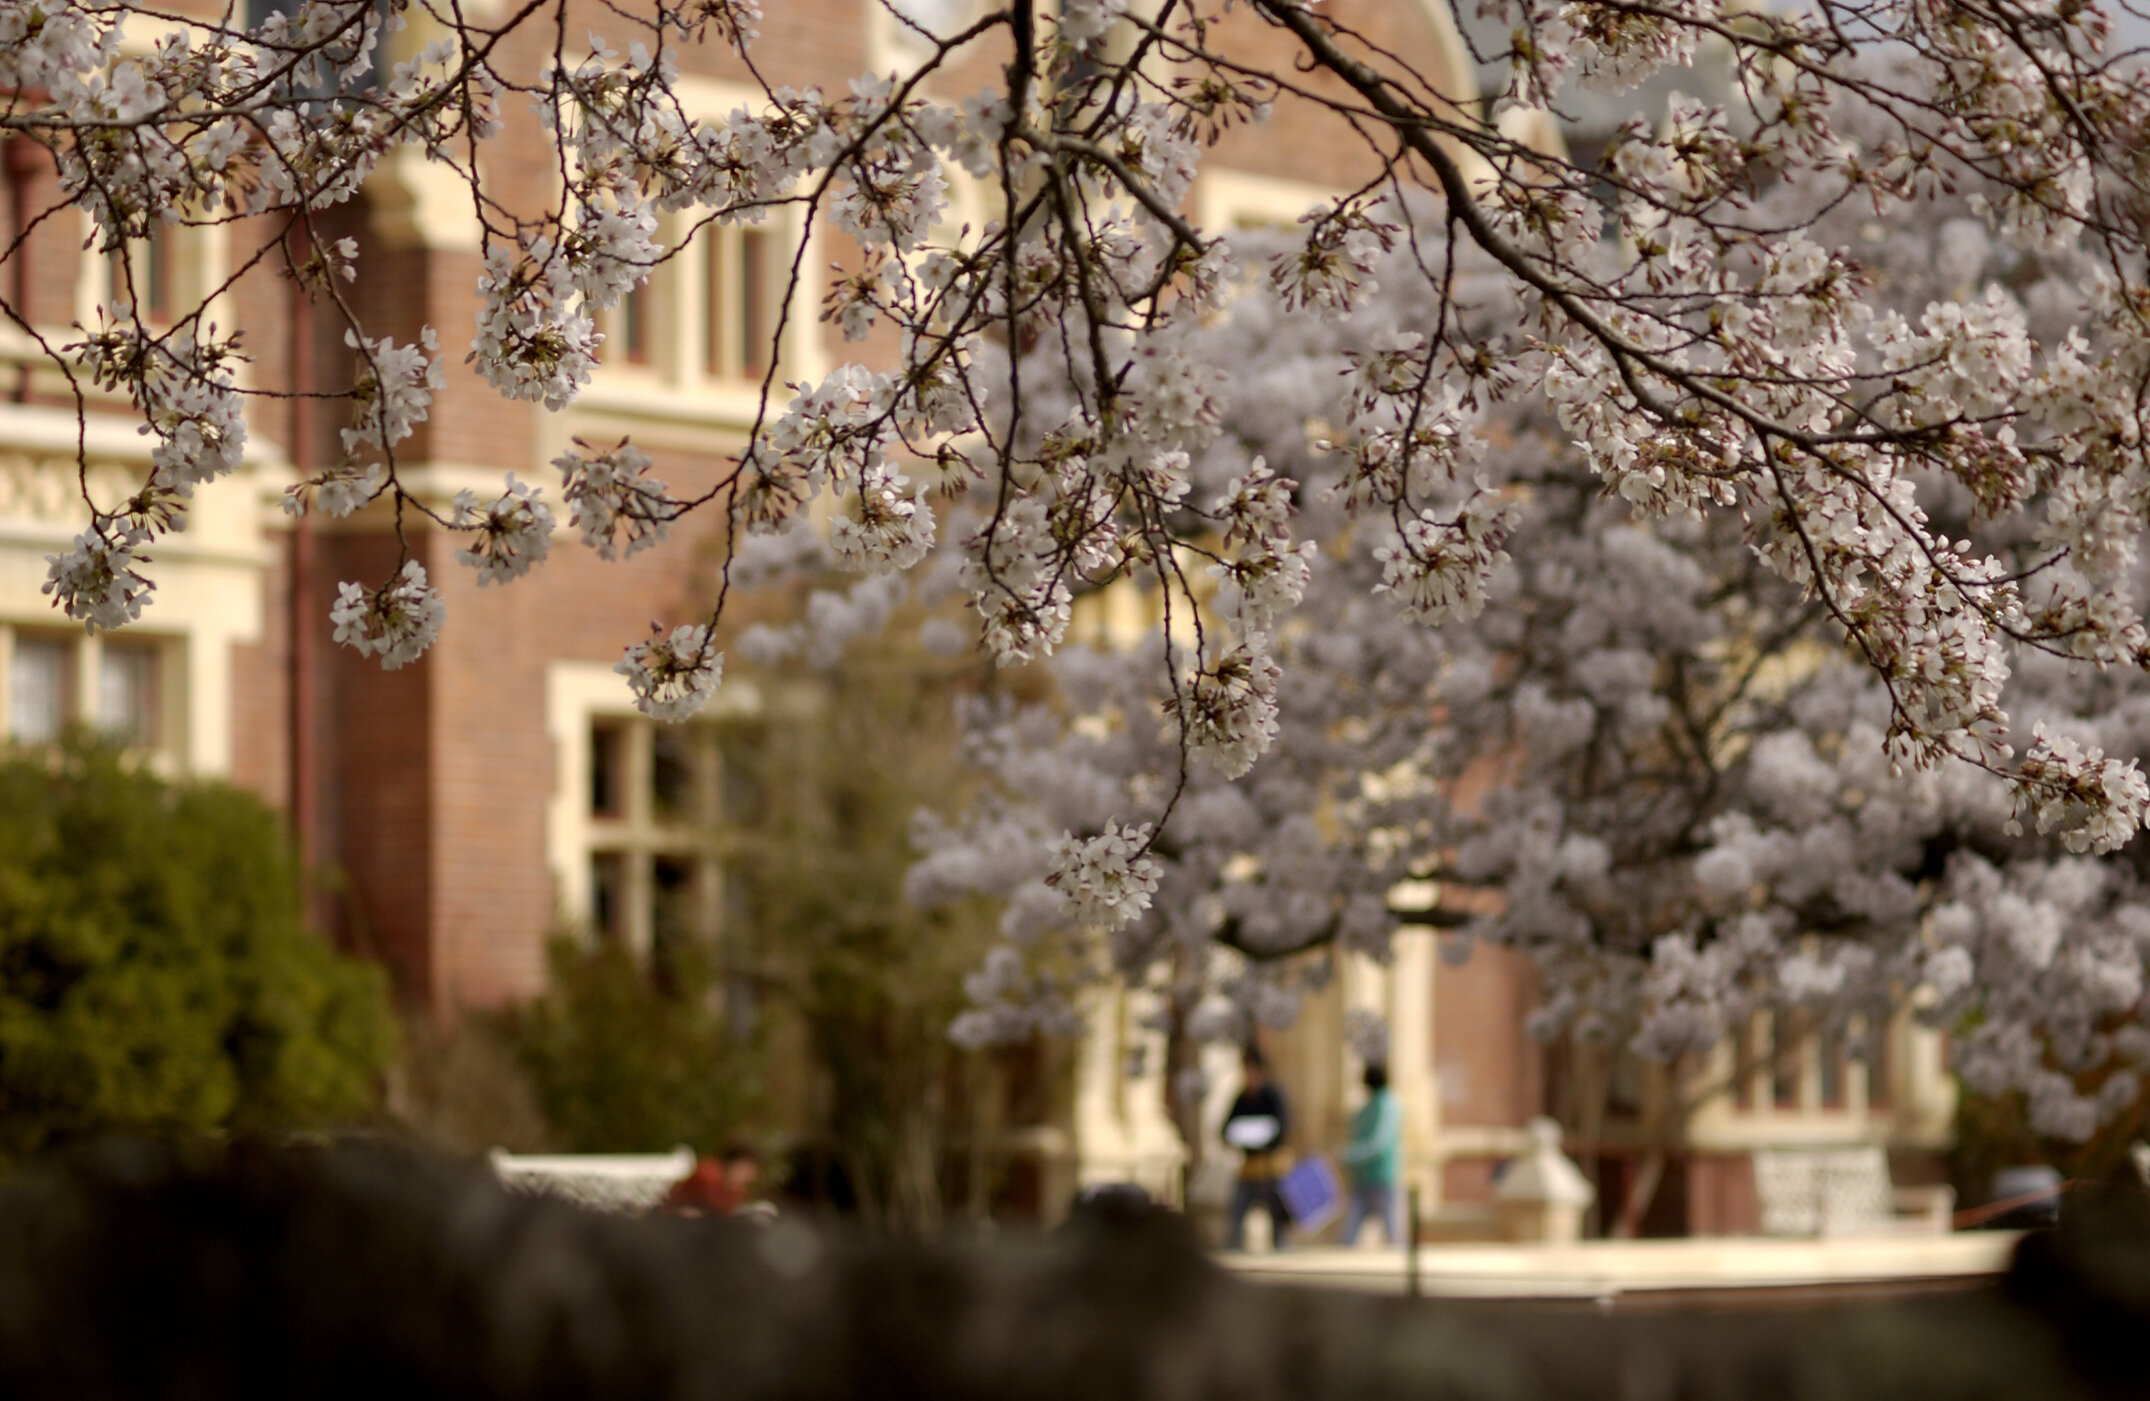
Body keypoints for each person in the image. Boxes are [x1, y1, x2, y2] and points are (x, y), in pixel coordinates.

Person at [1221, 1047, 1291, 1251]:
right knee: (1237, 1210)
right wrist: (1241, 1137)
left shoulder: (1272, 1095)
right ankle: (1234, 1247)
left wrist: (1262, 1136)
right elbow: (1225, 1130)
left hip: (1270, 1167)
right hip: (1249, 1167)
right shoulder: (1241, 1098)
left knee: (1276, 1211)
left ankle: (1280, 1247)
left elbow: (1283, 1126)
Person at [1339, 1064, 1403, 1246]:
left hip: (1381, 1177)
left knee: (1393, 1235)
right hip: (1367, 1178)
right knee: (1349, 1236)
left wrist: (1349, 1157)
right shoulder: (1369, 1108)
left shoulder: (1385, 1106)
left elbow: (1378, 1143)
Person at [660, 1143, 764, 1218]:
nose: (750, 1176)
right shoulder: (709, 1173)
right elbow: (715, 1207)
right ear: (737, 1162)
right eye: (749, 1169)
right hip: (675, 1222)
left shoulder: (733, 1185)